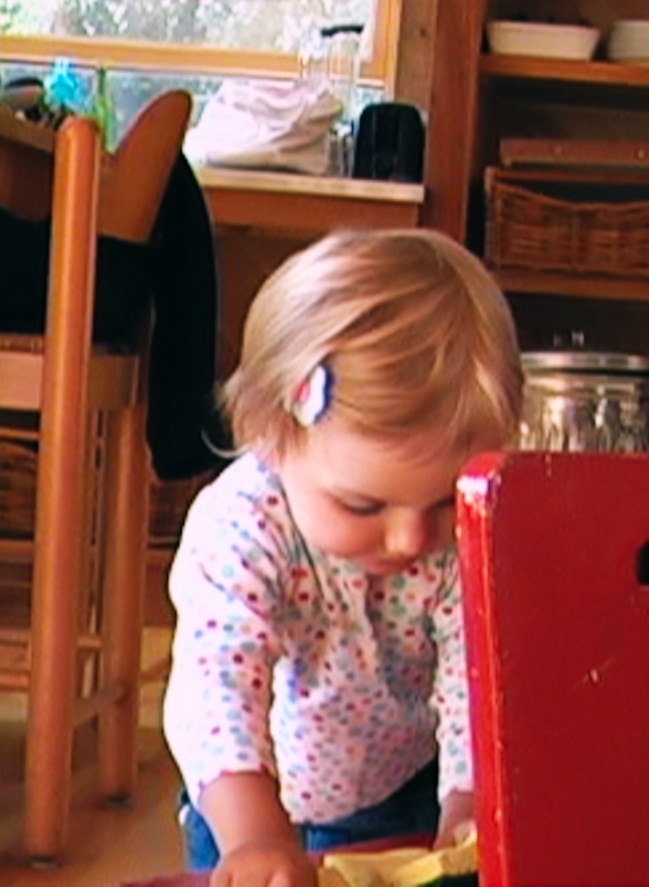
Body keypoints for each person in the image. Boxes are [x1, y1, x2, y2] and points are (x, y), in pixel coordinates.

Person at [163, 229, 523, 887]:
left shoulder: (459, 532)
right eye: (364, 506)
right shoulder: (242, 525)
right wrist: (255, 837)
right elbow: (215, 688)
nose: (411, 539)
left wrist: (470, 807)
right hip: (249, 805)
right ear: (270, 433)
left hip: (407, 798)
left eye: (443, 500)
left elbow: (474, 680)